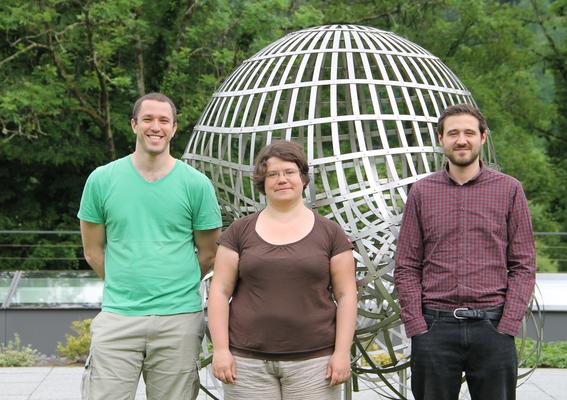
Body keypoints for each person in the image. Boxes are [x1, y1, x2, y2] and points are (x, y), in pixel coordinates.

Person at [78, 92, 222, 400]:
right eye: (147, 119)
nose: (155, 127)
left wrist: (173, 283)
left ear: (174, 128)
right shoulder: (101, 180)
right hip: (118, 316)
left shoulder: (197, 185)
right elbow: (92, 251)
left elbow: (209, 253)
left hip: (179, 319)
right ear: (133, 125)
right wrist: (127, 283)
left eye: (163, 121)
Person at [394, 103, 536, 400]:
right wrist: (417, 327)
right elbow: (406, 265)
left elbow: (523, 265)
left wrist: (508, 323)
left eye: (469, 132)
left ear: (483, 137)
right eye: (453, 133)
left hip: (493, 328)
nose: (462, 140)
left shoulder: (509, 190)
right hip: (434, 328)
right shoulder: (421, 192)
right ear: (440, 139)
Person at [208, 140, 357, 400]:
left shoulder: (331, 233)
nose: (281, 180)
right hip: (247, 364)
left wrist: (342, 353)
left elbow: (346, 295)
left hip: (314, 363)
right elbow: (219, 292)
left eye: (289, 172)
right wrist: (220, 349)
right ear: (262, 183)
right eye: (273, 174)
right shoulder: (239, 231)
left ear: (302, 178)